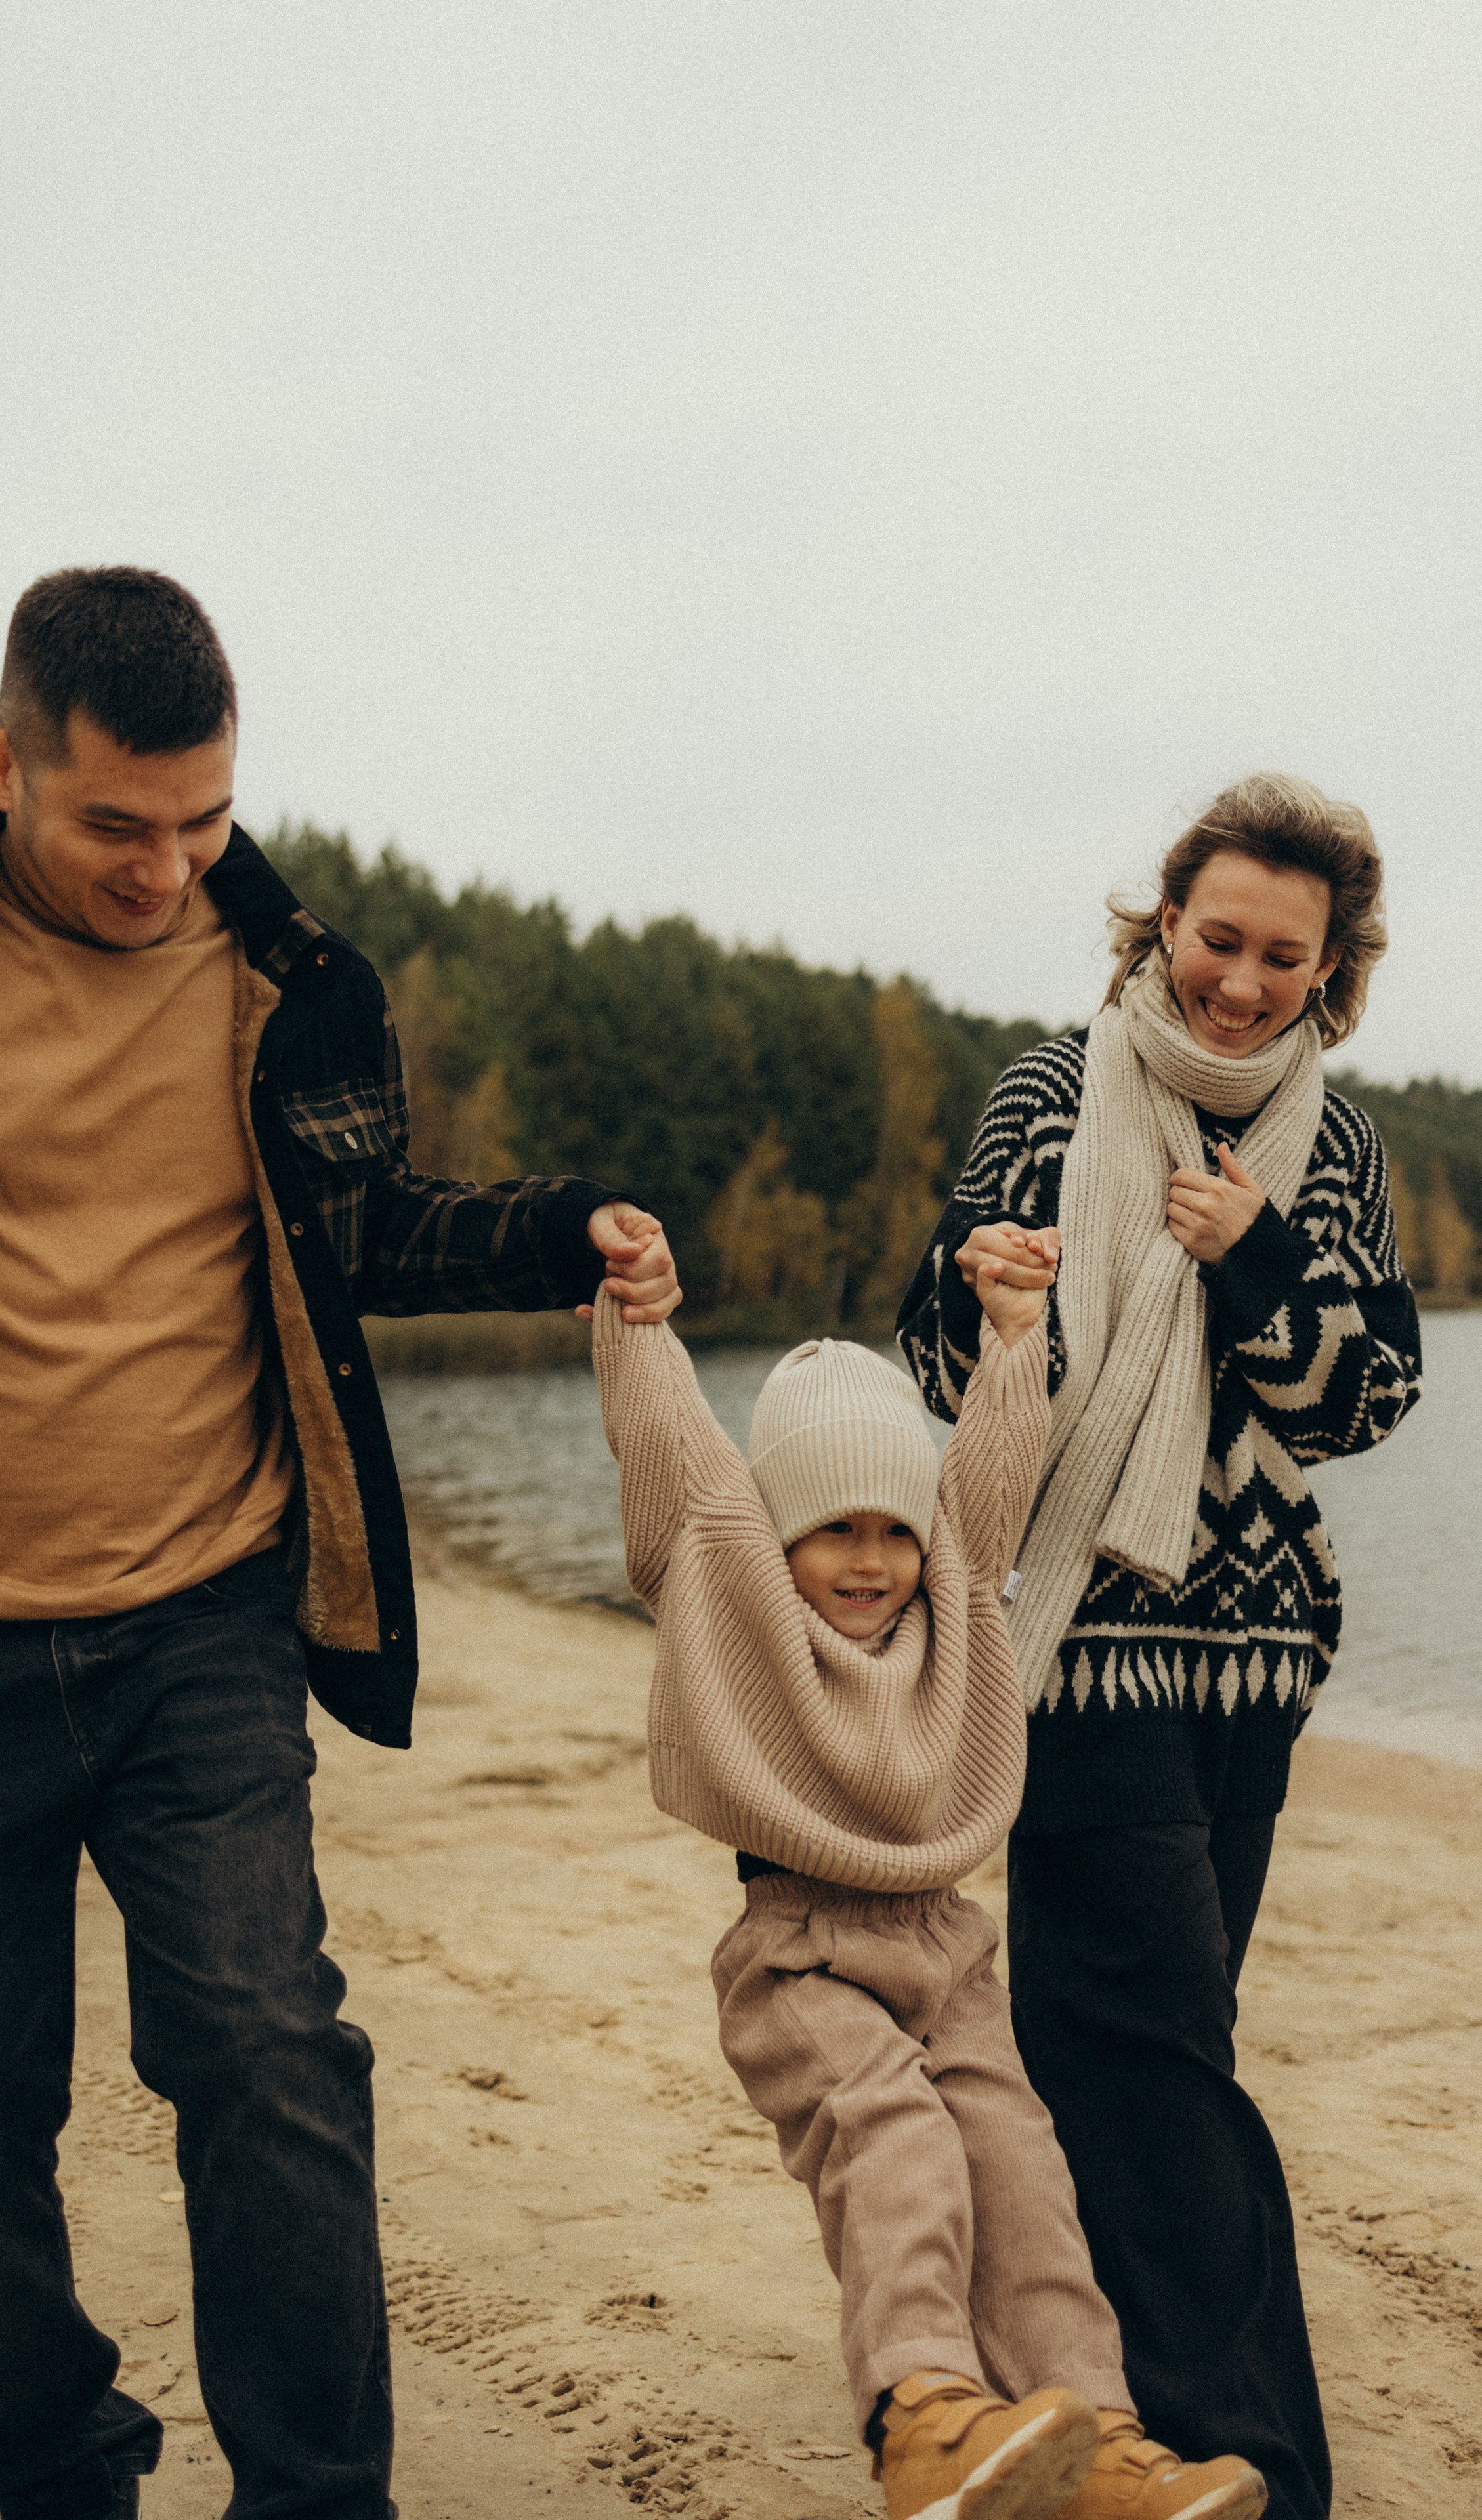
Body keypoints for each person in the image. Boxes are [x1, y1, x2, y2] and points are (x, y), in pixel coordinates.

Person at [0, 567, 681, 2520]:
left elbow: (357, 1229)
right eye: (116, 825)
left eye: (204, 820)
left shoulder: (296, 976)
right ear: (13, 763)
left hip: (203, 1614)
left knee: (269, 2055)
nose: (165, 868)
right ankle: (52, 2465)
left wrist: (568, 1231)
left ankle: (319, 2500)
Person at [897, 774, 1424, 2520]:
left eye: (1289, 955)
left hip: (1256, 1664)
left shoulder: (1331, 1147)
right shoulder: (1052, 1093)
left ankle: (1063, 2392)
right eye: (1221, 939)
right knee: (1157, 2044)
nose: (1245, 981)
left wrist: (1264, 1261)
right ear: (1163, 925)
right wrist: (983, 1300)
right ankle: (1254, 2459)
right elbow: (925, 1363)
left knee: (1113, 2039)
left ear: (1331, 968)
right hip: (1078, 1642)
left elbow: (1369, 1397)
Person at [589, 1250, 1269, 2520]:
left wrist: (1015, 1337)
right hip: (802, 1949)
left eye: (892, 1530)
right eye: (831, 1531)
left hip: (946, 1946)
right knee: (896, 2145)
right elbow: (672, 1454)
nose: (868, 1560)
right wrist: (636, 1321)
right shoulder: (732, 1589)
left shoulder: (950, 1599)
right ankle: (923, 2416)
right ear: (773, 1534)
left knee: (1018, 2167)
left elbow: (989, 1478)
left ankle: (1096, 2436)